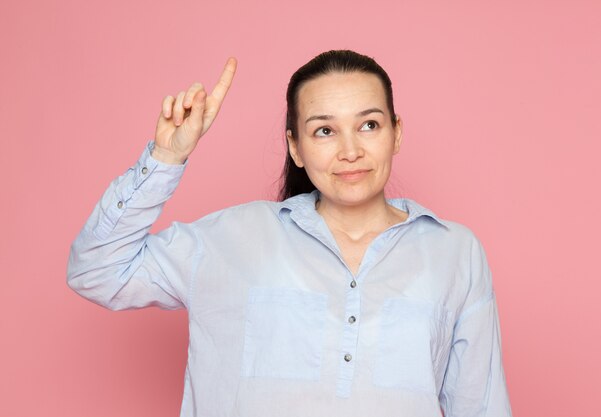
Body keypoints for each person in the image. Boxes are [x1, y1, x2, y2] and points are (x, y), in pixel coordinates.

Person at [67, 50, 513, 417]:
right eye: (324, 130)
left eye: (369, 125)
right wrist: (167, 157)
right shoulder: (232, 237)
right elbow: (98, 271)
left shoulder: (455, 252)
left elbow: (481, 405)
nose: (351, 150)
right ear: (295, 147)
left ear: (396, 134)